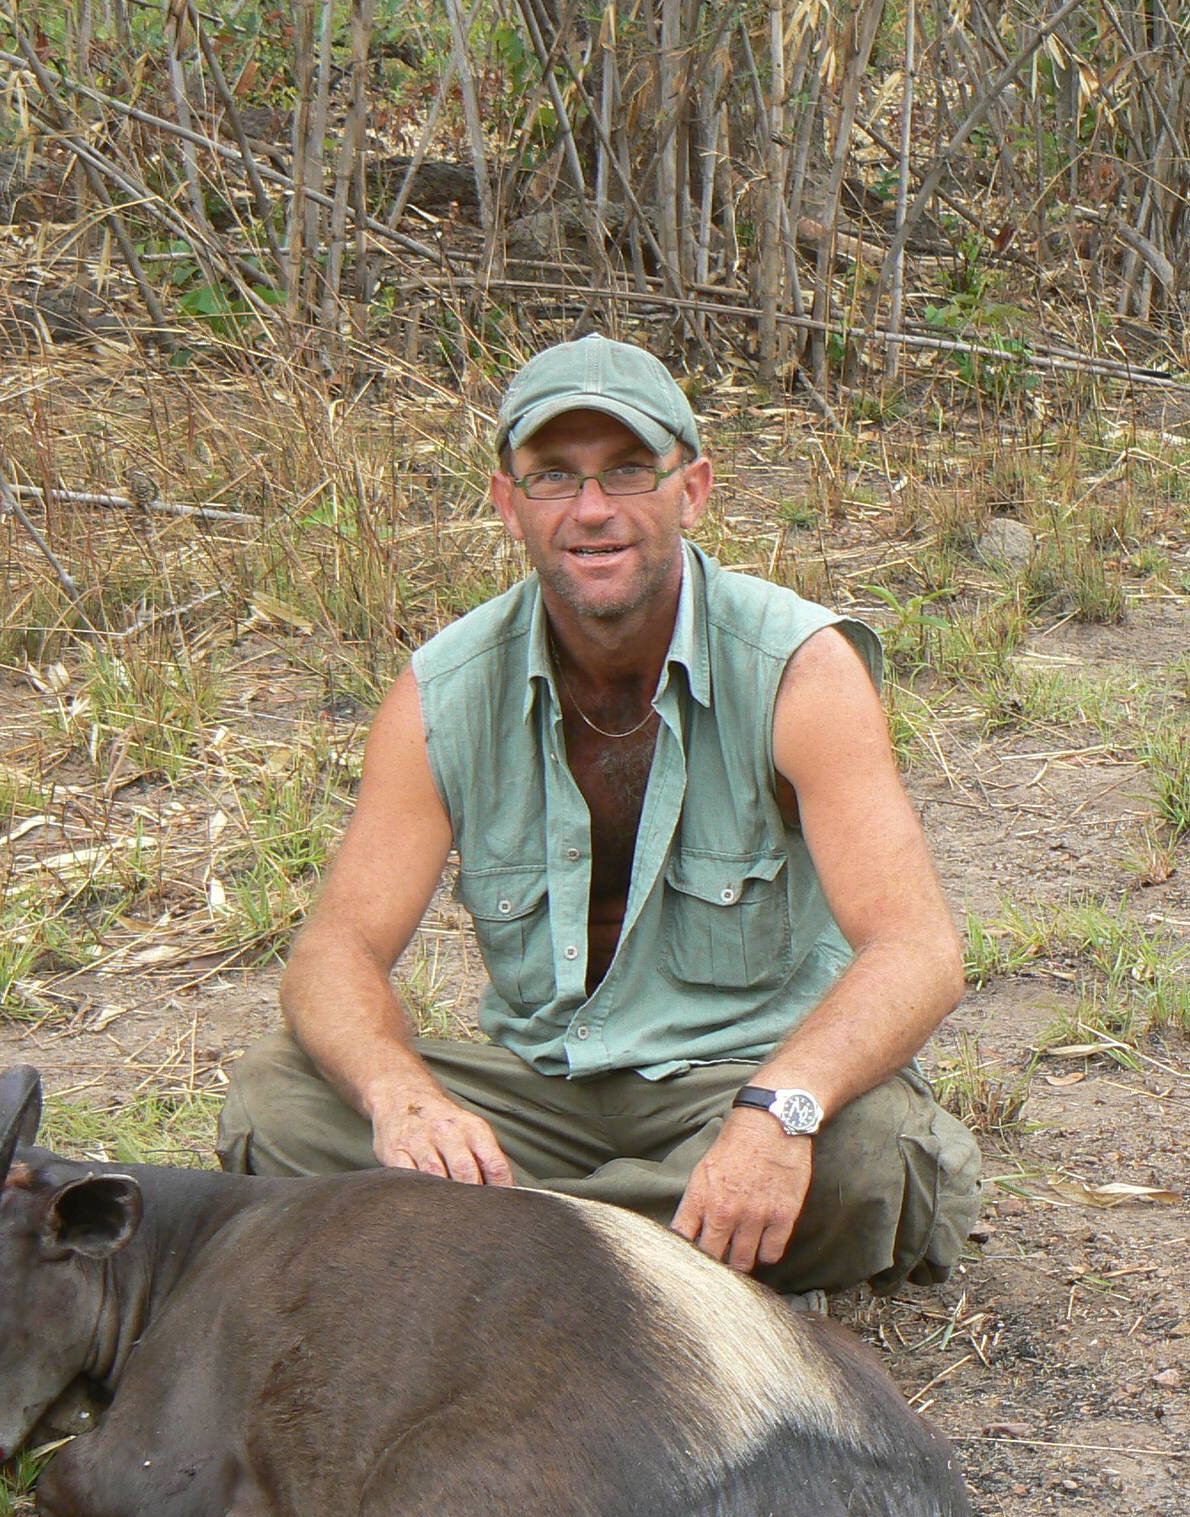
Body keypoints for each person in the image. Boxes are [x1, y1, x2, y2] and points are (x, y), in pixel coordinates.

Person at [217, 333, 980, 1295]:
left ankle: (500, 1256)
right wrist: (403, 1099)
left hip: (734, 1084)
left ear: (691, 489)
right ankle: (652, 1269)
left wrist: (778, 1112)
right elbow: (335, 952)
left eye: (627, 471)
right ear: (508, 503)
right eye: (553, 478)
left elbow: (918, 951)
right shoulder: (443, 692)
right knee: (274, 1103)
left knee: (876, 1151)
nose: (591, 511)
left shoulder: (798, 668)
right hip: (539, 1090)